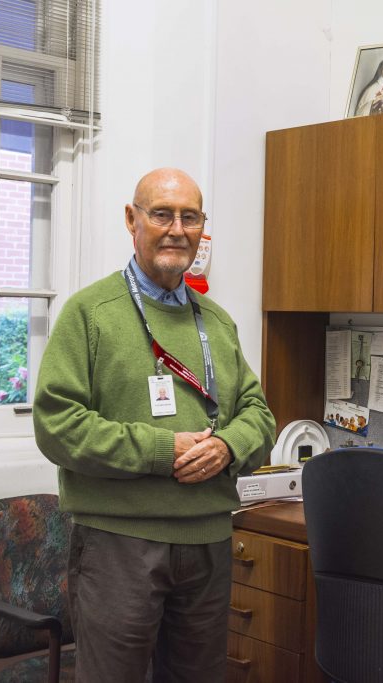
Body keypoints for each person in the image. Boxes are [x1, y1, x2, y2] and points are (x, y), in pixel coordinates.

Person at [33, 168, 276, 682]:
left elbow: (259, 413)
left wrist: (228, 447)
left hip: (208, 540)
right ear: (132, 219)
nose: (177, 229)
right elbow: (58, 425)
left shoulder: (217, 321)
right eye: (162, 214)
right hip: (120, 542)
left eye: (190, 217)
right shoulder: (90, 314)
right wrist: (160, 451)